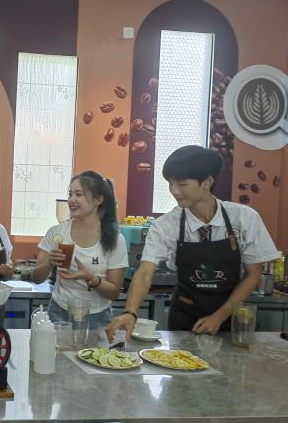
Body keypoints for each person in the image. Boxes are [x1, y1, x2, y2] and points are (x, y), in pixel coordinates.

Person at [106, 146, 279, 341]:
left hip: (231, 319)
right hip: (184, 320)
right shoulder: (166, 225)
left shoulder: (244, 218)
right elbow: (145, 272)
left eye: (182, 184)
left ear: (207, 182)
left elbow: (254, 274)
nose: (174, 191)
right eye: (170, 184)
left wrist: (219, 316)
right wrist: (130, 312)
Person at [31, 171, 128, 329]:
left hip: (97, 317)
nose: (71, 200)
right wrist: (50, 262)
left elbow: (114, 292)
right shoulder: (57, 232)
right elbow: (36, 278)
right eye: (70, 194)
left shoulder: (116, 240)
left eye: (78, 194)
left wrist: (89, 277)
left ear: (98, 199)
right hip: (59, 313)